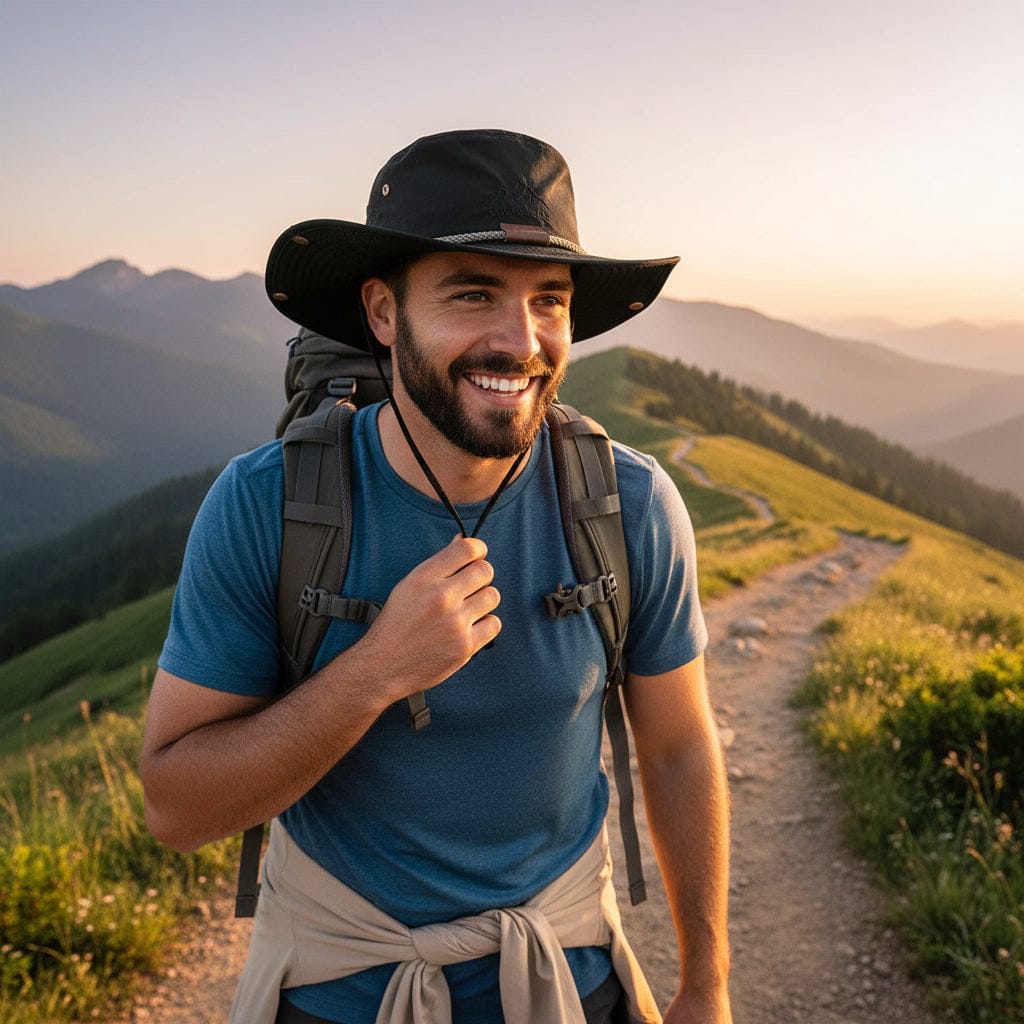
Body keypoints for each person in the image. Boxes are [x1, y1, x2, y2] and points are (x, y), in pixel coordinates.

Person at [140, 129, 732, 1024]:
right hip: (338, 989)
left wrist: (706, 987)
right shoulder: (266, 505)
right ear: (383, 313)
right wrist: (376, 671)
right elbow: (177, 809)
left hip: (569, 977)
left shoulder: (629, 504)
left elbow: (680, 746)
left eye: (549, 301)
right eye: (472, 293)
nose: (519, 340)